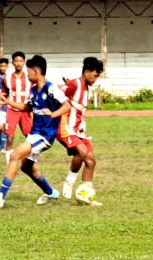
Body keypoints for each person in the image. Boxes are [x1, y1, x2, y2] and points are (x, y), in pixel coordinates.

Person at [0, 55, 72, 209]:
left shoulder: (50, 88)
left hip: (45, 135)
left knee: (14, 155)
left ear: (36, 71)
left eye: (28, 70)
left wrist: (53, 114)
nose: (27, 74)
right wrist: (8, 102)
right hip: (35, 133)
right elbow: (28, 108)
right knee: (27, 167)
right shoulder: (33, 89)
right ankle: (51, 192)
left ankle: (0, 196)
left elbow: (67, 105)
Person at [57, 57, 103, 206]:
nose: (95, 79)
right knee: (82, 153)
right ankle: (69, 181)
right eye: (95, 75)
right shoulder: (74, 84)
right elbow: (56, 94)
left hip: (78, 129)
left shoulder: (87, 90)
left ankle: (86, 196)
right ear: (87, 72)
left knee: (91, 161)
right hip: (65, 127)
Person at [0, 51, 33, 163]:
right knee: (10, 136)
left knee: (29, 135)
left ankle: (31, 159)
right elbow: (3, 94)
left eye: (20, 61)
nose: (18, 63)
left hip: (24, 109)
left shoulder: (29, 77)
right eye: (16, 61)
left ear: (24, 62)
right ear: (13, 63)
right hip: (12, 110)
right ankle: (10, 161)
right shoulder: (7, 78)